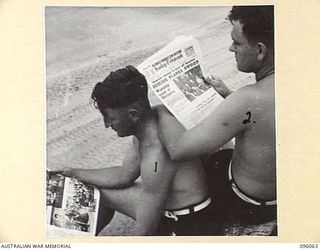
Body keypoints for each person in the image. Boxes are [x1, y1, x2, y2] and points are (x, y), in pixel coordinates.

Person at [61, 65, 219, 236]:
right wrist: (73, 173)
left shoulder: (157, 155)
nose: (107, 124)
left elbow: (144, 230)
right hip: (179, 207)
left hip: (187, 224)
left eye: (110, 117)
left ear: (133, 114)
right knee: (94, 191)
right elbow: (123, 175)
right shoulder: (150, 122)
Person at [156, 6, 277, 228]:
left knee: (181, 149)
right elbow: (264, 117)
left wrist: (161, 110)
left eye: (237, 43)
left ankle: (172, 217)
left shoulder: (248, 98)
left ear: (260, 50)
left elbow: (178, 148)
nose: (231, 48)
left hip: (245, 204)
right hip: (275, 200)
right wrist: (228, 95)